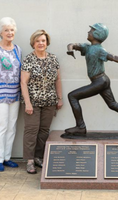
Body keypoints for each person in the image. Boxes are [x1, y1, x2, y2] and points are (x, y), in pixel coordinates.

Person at [62, 23, 118, 137]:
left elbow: (114, 57)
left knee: (72, 96)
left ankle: (81, 127)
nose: (88, 32)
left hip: (100, 82)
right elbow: (72, 44)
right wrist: (70, 49)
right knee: (112, 104)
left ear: (96, 34)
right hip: (102, 80)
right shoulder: (88, 47)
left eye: (90, 31)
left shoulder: (100, 50)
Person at [21, 30, 63, 174]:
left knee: (44, 131)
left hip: (50, 101)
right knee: (31, 130)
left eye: (43, 41)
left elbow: (57, 79)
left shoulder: (53, 58)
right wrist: (27, 103)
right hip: (32, 101)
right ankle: (30, 160)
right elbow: (23, 83)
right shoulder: (28, 59)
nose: (40, 43)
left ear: (47, 43)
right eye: (38, 40)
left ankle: (39, 157)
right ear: (33, 43)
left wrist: (59, 98)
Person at [0, 17, 21, 172]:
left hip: (15, 94)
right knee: (2, 126)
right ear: (1, 32)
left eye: (12, 30)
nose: (9, 32)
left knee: (12, 126)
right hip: (1, 94)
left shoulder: (18, 49)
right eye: (6, 30)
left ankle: (7, 157)